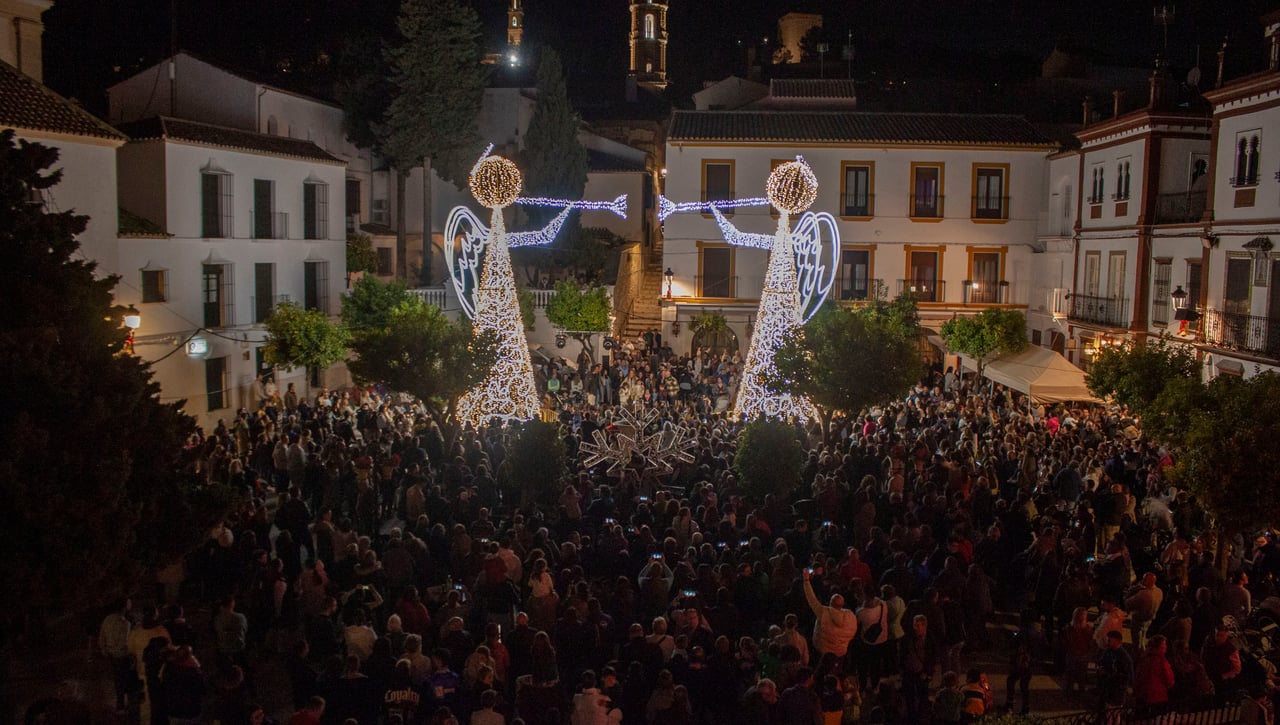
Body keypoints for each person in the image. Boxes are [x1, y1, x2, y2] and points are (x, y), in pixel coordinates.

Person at [802, 568, 858, 659]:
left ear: (830, 603)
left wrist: (806, 581)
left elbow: (811, 598)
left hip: (822, 651)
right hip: (840, 652)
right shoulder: (850, 616)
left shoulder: (823, 612)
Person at [99, 598, 134, 712]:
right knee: (127, 679)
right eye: (129, 603)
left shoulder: (107, 619)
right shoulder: (125, 623)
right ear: (124, 607)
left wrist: (104, 650)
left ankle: (121, 705)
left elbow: (102, 636)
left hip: (111, 655)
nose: (131, 604)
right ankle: (128, 704)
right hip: (123, 656)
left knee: (118, 679)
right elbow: (126, 642)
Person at [1134, 635, 1175, 713]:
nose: (1166, 646)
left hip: (1142, 694)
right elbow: (1169, 678)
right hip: (1157, 696)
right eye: (1164, 644)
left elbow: (1137, 675)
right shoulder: (1161, 660)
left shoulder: (1144, 658)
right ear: (1159, 646)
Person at [1096, 630, 1134, 715]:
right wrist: (1100, 669)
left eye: (1110, 639)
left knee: (1113, 714)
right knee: (1103, 710)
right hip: (1106, 687)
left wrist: (1107, 674)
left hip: (1116, 690)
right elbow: (1100, 662)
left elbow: (1126, 675)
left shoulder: (1124, 658)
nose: (1108, 641)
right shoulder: (1108, 651)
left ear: (1117, 641)